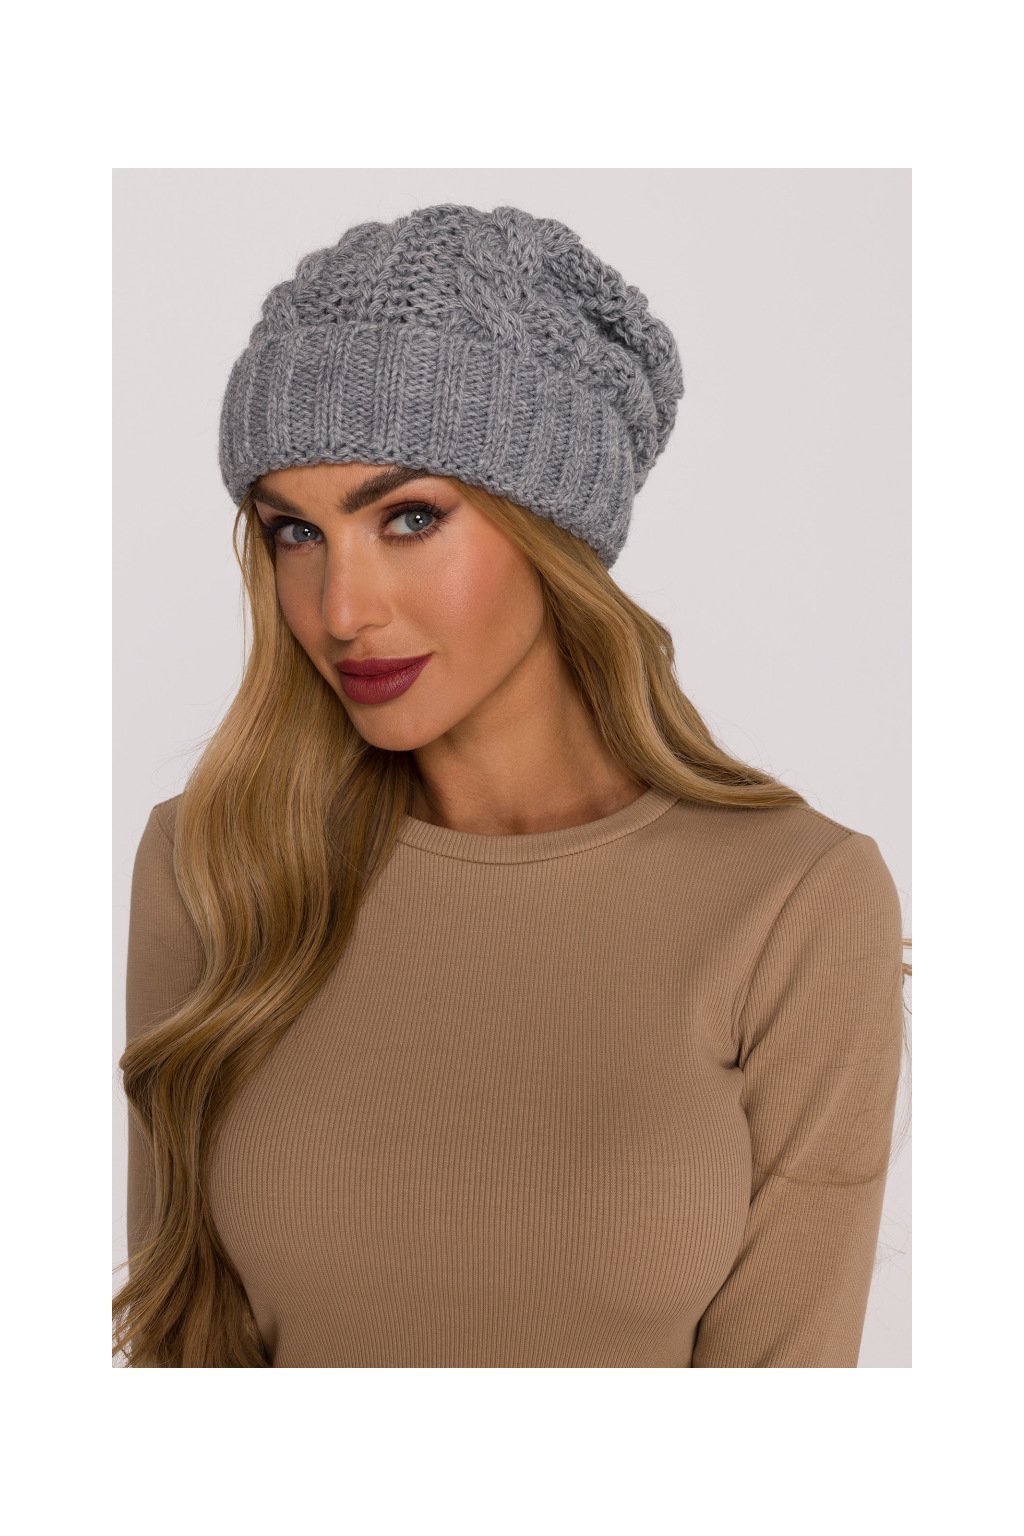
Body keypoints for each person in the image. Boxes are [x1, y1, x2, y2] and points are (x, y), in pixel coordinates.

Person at [113, 201, 911, 1369]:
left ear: (553, 532)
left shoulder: (796, 899)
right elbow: (178, 1363)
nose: (341, 611)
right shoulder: (216, 865)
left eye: (408, 518)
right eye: (295, 534)